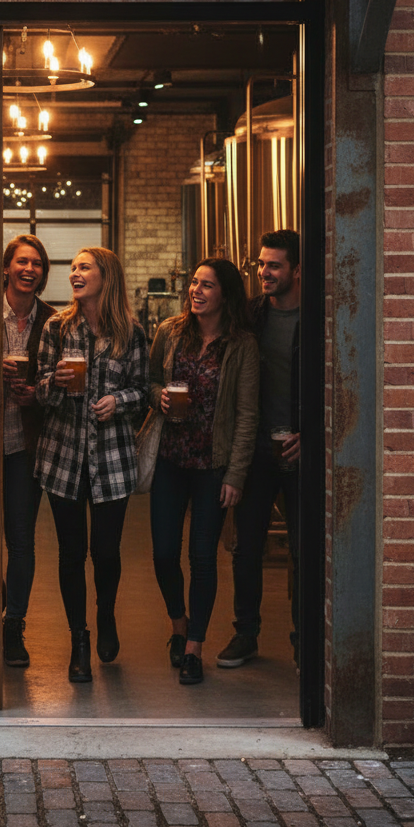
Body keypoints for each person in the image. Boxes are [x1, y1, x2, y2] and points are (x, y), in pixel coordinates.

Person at [34, 247, 149, 683]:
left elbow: (143, 391)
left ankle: (106, 613)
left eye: (85, 267)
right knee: (70, 553)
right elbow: (41, 393)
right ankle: (78, 639)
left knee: (105, 552)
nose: (75, 274)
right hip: (63, 457)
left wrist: (118, 401)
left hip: (113, 460)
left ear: (107, 276)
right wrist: (56, 382)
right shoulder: (57, 328)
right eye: (74, 268)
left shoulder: (131, 333)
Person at [148, 257, 259, 686]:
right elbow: (151, 381)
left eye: (207, 285)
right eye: (194, 283)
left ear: (225, 295)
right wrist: (158, 395)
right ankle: (178, 623)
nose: (196, 290)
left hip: (213, 465)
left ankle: (193, 647)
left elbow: (247, 414)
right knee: (162, 554)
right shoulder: (171, 332)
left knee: (202, 557)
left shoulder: (241, 345)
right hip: (171, 459)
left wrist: (236, 474)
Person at [218, 229, 302, 668]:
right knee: (246, 548)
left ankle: (305, 640)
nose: (265, 273)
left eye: (274, 265)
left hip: (302, 452)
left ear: (297, 271)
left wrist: (313, 435)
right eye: (261, 264)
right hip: (256, 452)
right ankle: (246, 634)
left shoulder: (319, 317)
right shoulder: (252, 315)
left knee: (306, 552)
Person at [1, 235, 54, 667]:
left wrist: (36, 393)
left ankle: (13, 625)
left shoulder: (53, 321)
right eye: (22, 261)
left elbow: (61, 381)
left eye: (37, 263)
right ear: (6, 267)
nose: (29, 269)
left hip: (25, 445)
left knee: (20, 541)